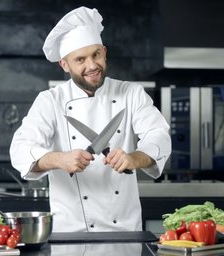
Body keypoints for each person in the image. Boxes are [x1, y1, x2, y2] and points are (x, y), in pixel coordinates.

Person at [10, 6, 171, 232]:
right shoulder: (50, 101)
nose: (92, 65)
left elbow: (159, 135)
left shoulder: (131, 94)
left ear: (104, 51)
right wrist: (58, 159)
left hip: (124, 232)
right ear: (64, 65)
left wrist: (135, 158)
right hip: (70, 232)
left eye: (96, 54)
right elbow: (20, 149)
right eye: (80, 59)